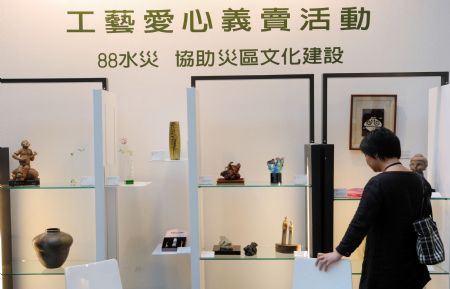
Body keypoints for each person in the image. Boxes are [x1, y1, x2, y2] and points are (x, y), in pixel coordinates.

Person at [315, 128, 431, 289]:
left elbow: (360, 223)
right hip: (414, 266)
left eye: (366, 155)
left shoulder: (378, 183)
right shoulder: (421, 182)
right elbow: (426, 219)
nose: (367, 160)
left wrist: (338, 253)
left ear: (376, 155)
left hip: (383, 267)